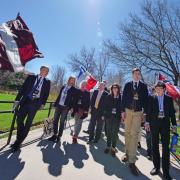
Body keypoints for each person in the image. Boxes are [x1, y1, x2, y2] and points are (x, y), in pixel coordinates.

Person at [11, 66, 50, 152]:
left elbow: (46, 94)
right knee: (19, 119)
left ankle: (17, 143)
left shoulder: (47, 82)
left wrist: (43, 104)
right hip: (25, 101)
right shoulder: (31, 77)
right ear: (40, 70)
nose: (46, 72)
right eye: (44, 70)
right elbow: (23, 89)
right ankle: (19, 139)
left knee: (28, 123)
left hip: (35, 103)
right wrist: (17, 100)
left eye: (47, 71)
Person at [145, 82, 177, 180]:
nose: (158, 90)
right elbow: (148, 111)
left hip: (165, 125)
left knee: (165, 147)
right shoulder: (151, 98)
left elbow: (172, 112)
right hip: (154, 124)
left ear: (164, 89)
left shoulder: (169, 99)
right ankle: (156, 167)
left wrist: (174, 124)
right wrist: (147, 122)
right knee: (154, 145)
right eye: (157, 88)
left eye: (160, 88)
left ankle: (166, 172)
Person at [121, 68, 148, 176]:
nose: (137, 75)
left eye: (138, 74)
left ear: (139, 75)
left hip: (137, 113)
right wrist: (122, 111)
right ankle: (127, 153)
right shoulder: (127, 84)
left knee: (134, 134)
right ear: (132, 74)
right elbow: (123, 98)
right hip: (128, 111)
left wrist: (144, 113)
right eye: (135, 73)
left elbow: (145, 100)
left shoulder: (143, 86)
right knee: (127, 133)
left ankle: (132, 161)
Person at [48, 76, 77, 142]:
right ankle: (54, 135)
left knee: (62, 122)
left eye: (73, 80)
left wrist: (70, 107)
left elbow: (74, 100)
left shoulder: (74, 90)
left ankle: (59, 136)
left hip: (65, 107)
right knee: (55, 120)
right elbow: (59, 96)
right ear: (69, 80)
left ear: (74, 82)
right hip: (59, 105)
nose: (72, 81)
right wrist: (55, 104)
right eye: (71, 79)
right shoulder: (64, 86)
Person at [103, 84, 122, 157]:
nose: (115, 89)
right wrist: (105, 115)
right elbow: (105, 106)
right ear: (111, 89)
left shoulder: (120, 97)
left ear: (118, 89)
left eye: (116, 88)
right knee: (108, 132)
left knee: (114, 133)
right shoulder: (108, 96)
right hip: (109, 117)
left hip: (117, 118)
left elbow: (121, 107)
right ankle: (108, 146)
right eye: (113, 88)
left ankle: (113, 148)